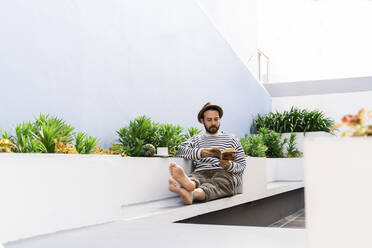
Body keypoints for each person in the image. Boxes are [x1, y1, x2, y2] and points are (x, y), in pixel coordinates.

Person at [168, 102, 246, 204]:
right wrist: (201, 153)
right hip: (201, 171)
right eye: (209, 120)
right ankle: (190, 184)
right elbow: (180, 151)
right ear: (202, 121)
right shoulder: (196, 139)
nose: (213, 123)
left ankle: (192, 193)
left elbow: (242, 165)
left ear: (219, 119)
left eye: (216, 119)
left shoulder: (232, 139)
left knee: (221, 183)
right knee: (195, 178)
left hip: (224, 173)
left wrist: (229, 166)